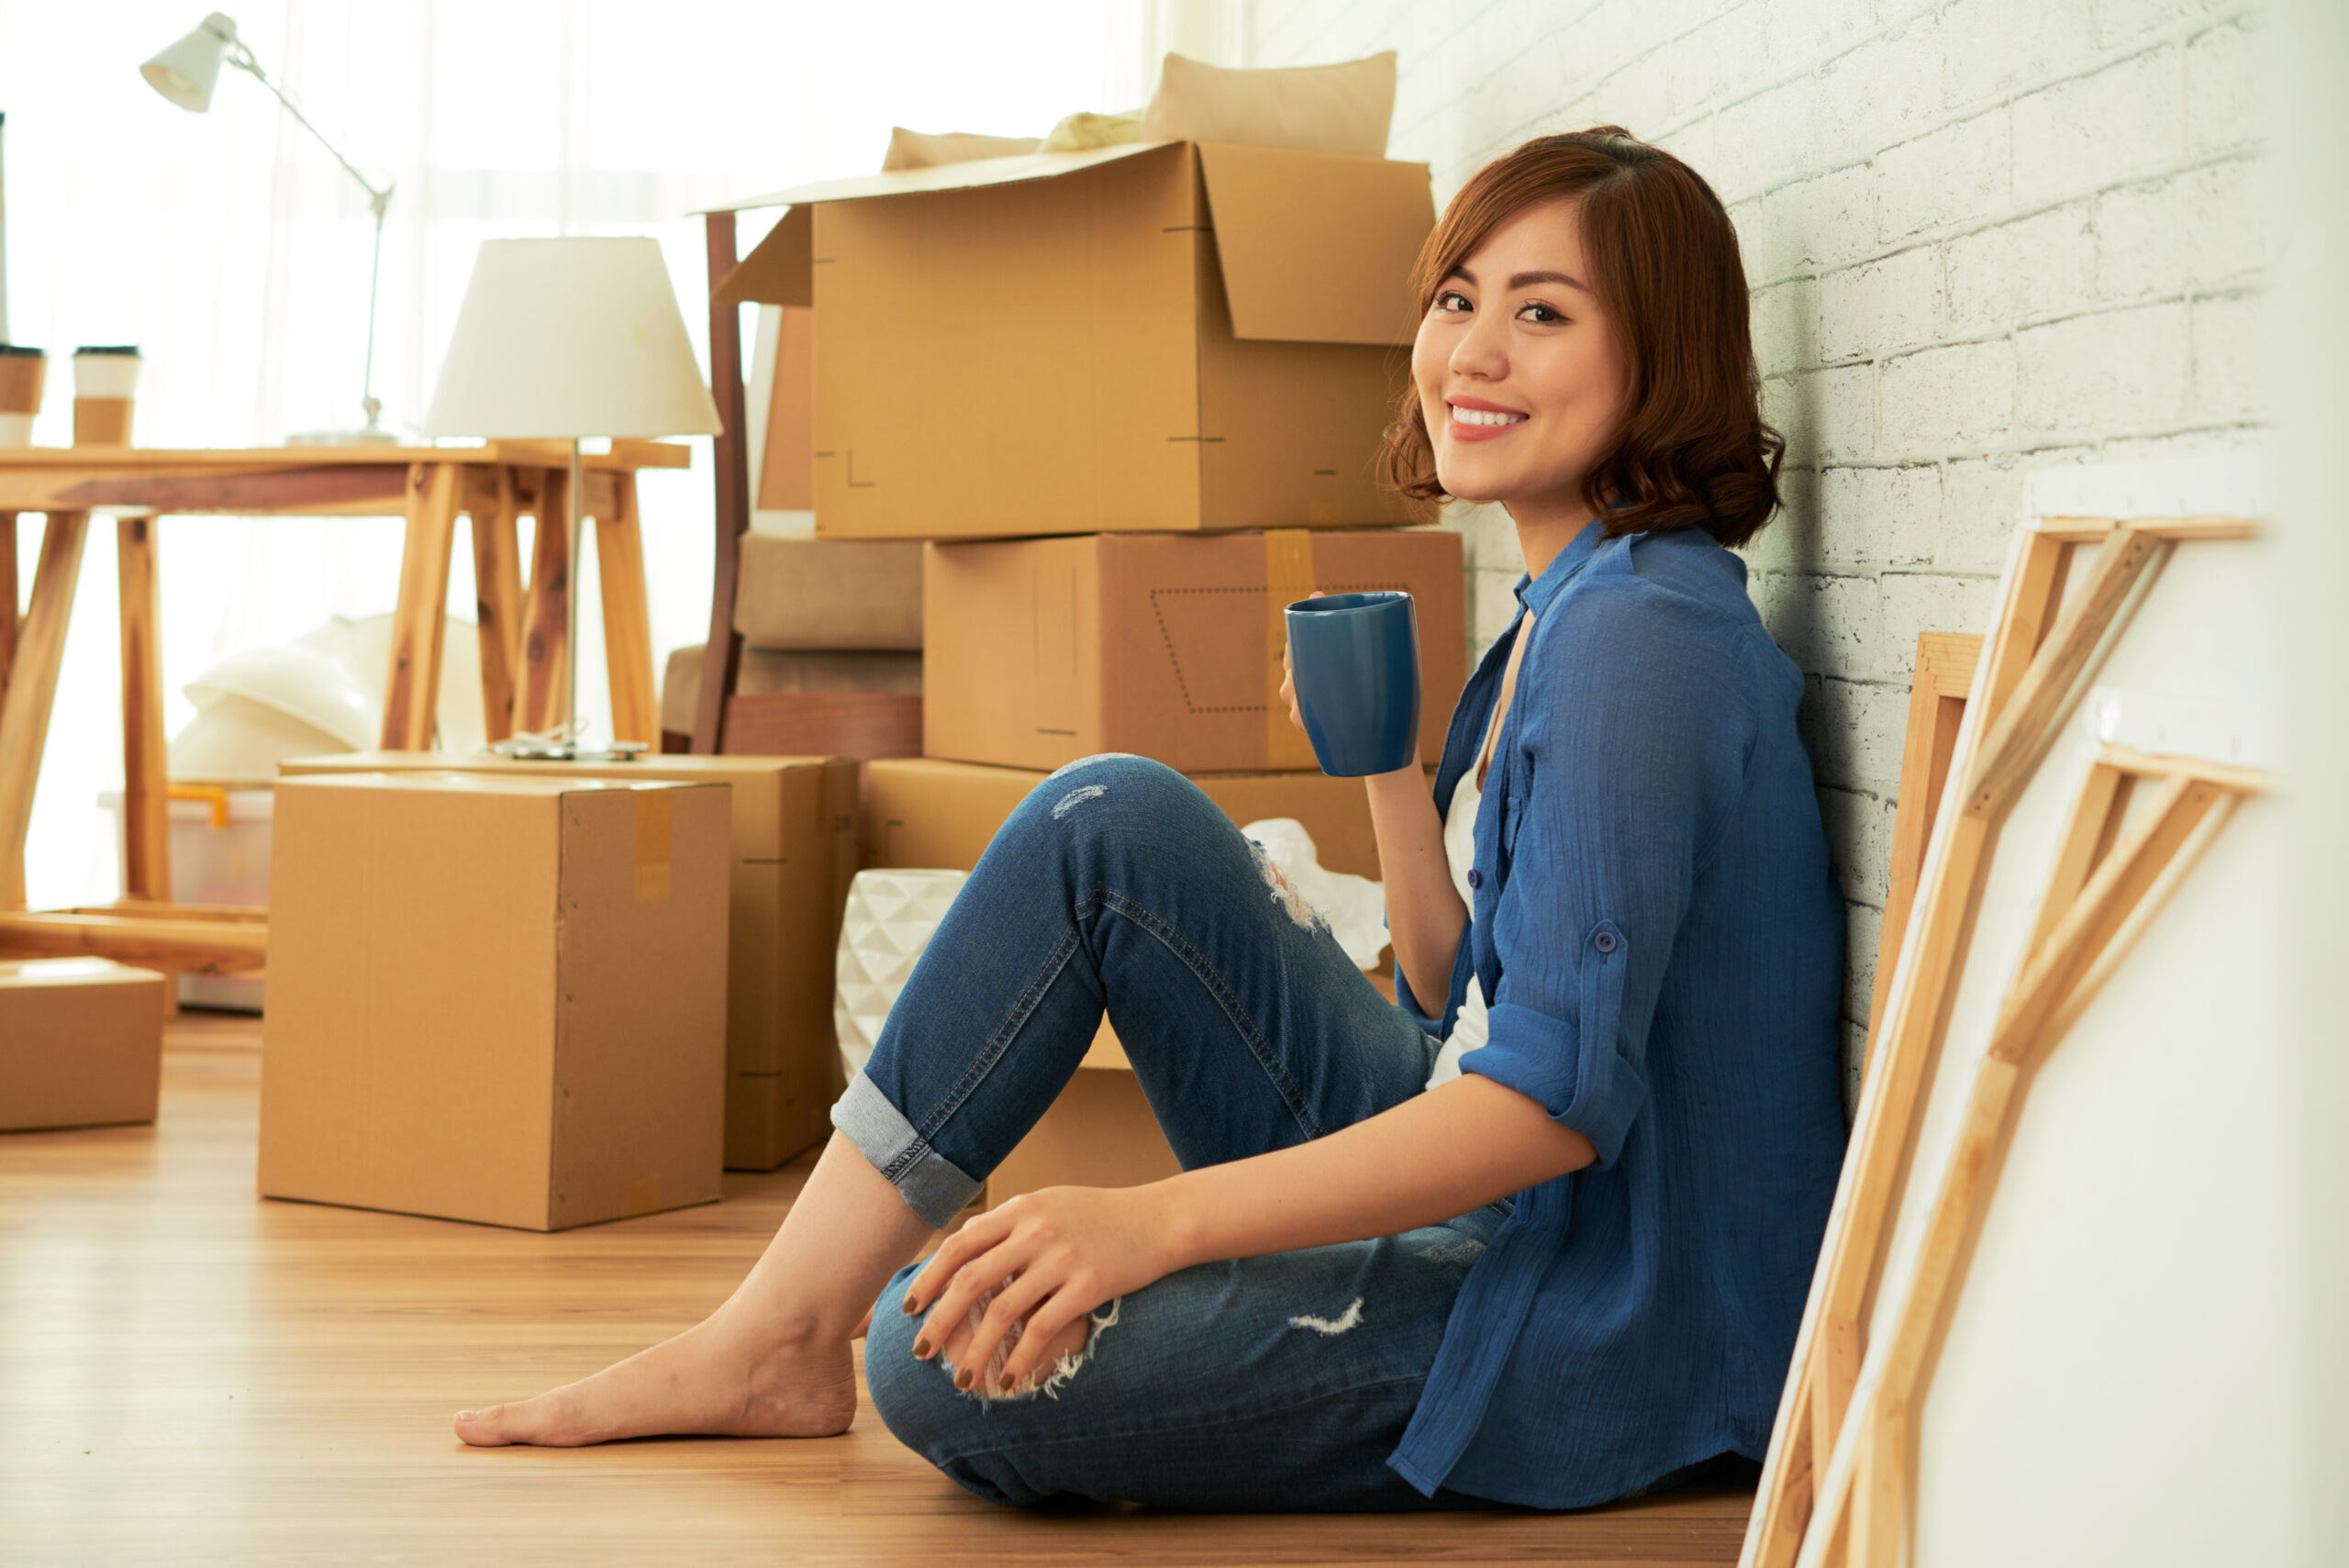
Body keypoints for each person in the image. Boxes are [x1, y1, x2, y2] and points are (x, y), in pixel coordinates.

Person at [453, 127, 1847, 1515]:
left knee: (935, 1357)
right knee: (1106, 816)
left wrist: (1151, 1222)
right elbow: (1457, 995)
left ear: (1659, 357)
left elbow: (1546, 1107)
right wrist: (1383, 768)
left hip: (1588, 1300)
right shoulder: (1567, 608)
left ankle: (823, 1339)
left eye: (1541, 312)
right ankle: (774, 1329)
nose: (1470, 353)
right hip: (1496, 1190)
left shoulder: (1639, 641)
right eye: (1456, 297)